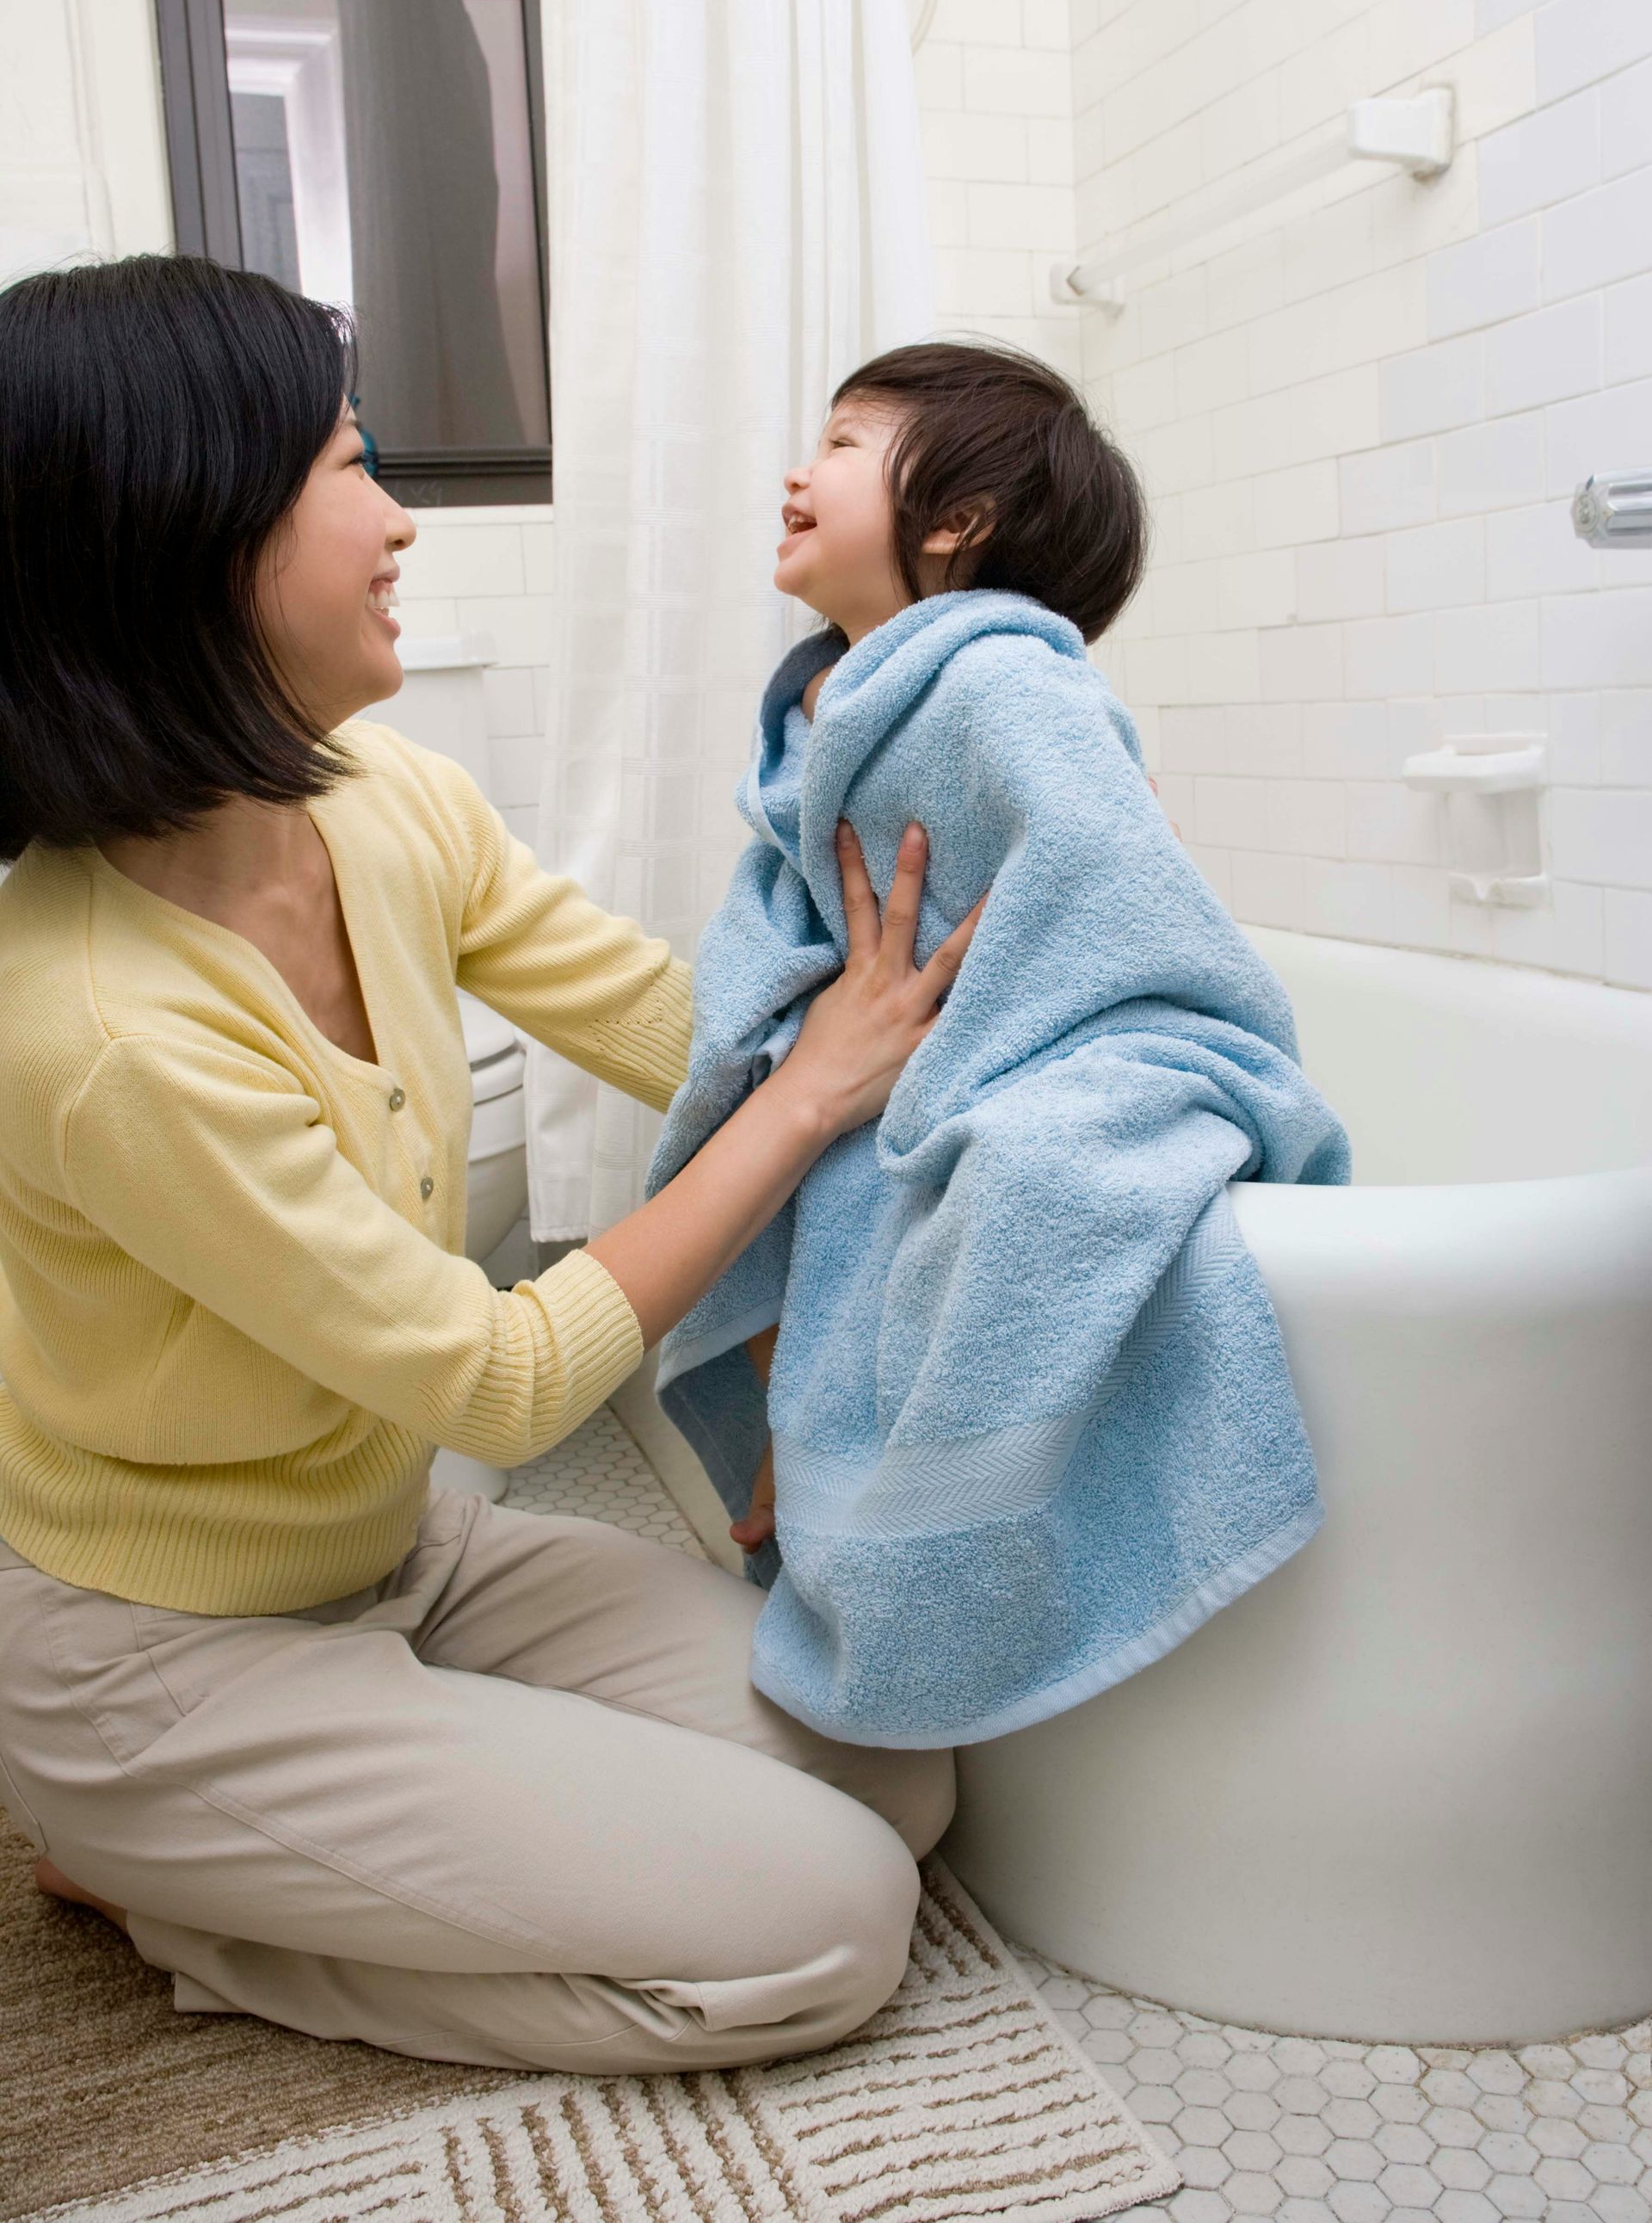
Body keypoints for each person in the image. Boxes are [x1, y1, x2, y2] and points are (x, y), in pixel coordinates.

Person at [0, 257, 981, 2074]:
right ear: (180, 540)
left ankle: (349, 1810)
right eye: (347, 465)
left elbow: (675, 1037)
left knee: (891, 1769)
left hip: (405, 1554)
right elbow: (500, 1378)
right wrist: (806, 1105)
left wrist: (940, 1057)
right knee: (829, 1927)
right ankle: (167, 1898)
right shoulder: (95, 1023)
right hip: (168, 1659)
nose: (397, 520)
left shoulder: (387, 802)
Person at [730, 341, 1147, 1557]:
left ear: (955, 520)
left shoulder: (1003, 682)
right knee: (801, 1185)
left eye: (843, 446)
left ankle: (925, 1534)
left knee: (986, 1181)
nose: (799, 474)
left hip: (1003, 1073)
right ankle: (814, 1483)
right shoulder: (839, 698)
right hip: (873, 1069)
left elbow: (1118, 898)